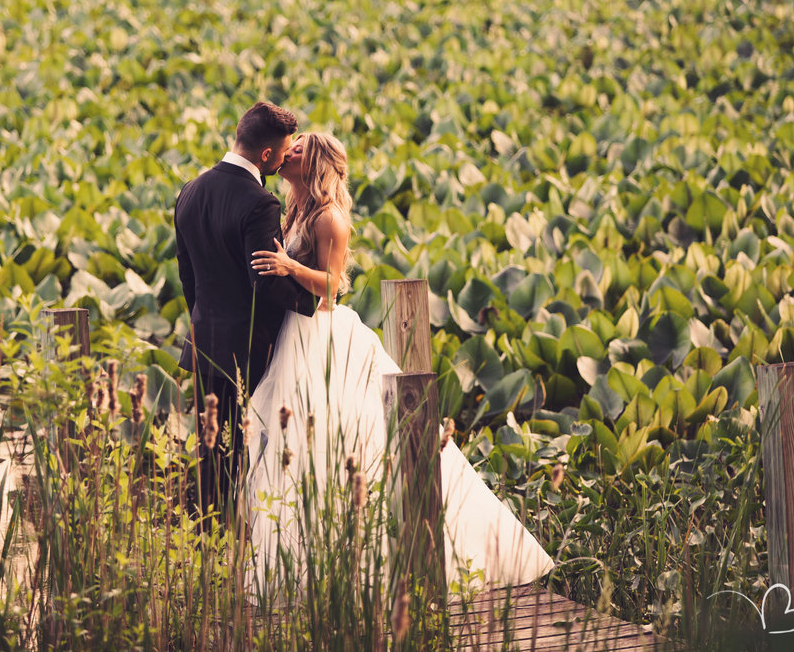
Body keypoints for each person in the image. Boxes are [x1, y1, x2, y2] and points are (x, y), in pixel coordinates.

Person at [246, 132, 554, 596]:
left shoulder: (330, 217)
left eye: (299, 147)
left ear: (316, 163)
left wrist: (290, 268)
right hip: (296, 333)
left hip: (323, 335)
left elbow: (332, 285)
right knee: (298, 446)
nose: (288, 150)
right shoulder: (295, 207)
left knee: (336, 439)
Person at [173, 101, 319, 519]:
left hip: (204, 344)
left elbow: (189, 278)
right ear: (268, 155)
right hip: (247, 353)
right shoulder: (260, 203)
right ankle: (234, 542)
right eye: (285, 150)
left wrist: (206, 324)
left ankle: (208, 543)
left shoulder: (190, 190)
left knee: (210, 450)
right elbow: (265, 284)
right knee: (244, 451)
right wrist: (316, 302)